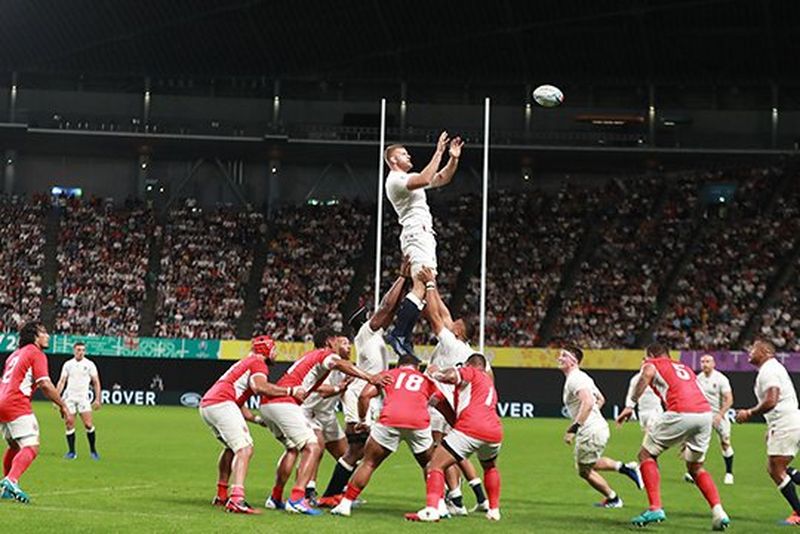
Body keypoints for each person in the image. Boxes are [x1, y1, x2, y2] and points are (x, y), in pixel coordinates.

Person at [261, 329, 391, 516]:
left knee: (294, 449)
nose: (345, 345)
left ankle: (276, 497)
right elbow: (336, 365)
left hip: (271, 404)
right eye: (341, 341)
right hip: (290, 404)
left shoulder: (315, 357)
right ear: (330, 342)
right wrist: (370, 377)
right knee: (313, 447)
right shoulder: (326, 355)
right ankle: (298, 498)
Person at [317, 258, 410, 507]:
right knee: (357, 450)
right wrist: (401, 278)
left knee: (359, 451)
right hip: (362, 396)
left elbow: (390, 310)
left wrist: (405, 286)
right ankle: (332, 495)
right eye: (370, 317)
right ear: (364, 322)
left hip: (370, 394)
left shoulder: (373, 336)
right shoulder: (365, 333)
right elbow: (386, 308)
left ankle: (335, 494)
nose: (377, 319)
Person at [616, 344, 730, 530]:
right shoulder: (684, 367)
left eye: (646, 358)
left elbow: (646, 375)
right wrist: (687, 434)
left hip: (681, 412)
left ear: (651, 355)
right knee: (696, 467)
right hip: (704, 415)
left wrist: (630, 405)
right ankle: (719, 512)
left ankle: (655, 507)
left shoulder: (653, 363)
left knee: (645, 455)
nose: (645, 361)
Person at [330, 354, 447, 517]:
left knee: (369, 463)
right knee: (431, 465)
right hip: (418, 421)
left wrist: (363, 420)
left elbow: (364, 395)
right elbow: (440, 399)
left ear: (398, 366)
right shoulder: (424, 379)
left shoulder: (389, 375)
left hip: (390, 419)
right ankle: (438, 506)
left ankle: (345, 504)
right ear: (417, 367)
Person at [383, 132, 464, 357]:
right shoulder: (396, 180)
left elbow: (441, 178)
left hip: (420, 235)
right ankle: (399, 333)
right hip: (417, 234)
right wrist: (438, 151)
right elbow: (427, 178)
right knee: (422, 285)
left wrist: (453, 158)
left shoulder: (409, 180)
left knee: (424, 284)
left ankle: (402, 334)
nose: (408, 156)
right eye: (403, 154)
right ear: (393, 161)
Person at [199, 335, 299, 514]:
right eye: (273, 349)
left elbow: (239, 402)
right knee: (244, 449)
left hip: (208, 404)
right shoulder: (258, 363)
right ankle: (237, 499)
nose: (276, 353)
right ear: (265, 350)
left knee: (232, 448)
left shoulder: (245, 362)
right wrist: (291, 390)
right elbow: (260, 387)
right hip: (222, 402)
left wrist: (259, 420)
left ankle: (222, 494)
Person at [419, 266, 489, 515]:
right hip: (462, 406)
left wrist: (427, 287)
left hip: (442, 404)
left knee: (439, 451)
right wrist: (433, 285)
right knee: (456, 451)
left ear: (459, 331)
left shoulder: (450, 342)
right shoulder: (474, 355)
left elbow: (435, 317)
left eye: (456, 323)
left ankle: (455, 499)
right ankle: (480, 497)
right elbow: (444, 312)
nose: (452, 322)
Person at [406, 353, 502, 522]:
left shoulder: (472, 372)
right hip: (494, 432)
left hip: (472, 427)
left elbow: (451, 376)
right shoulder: (487, 384)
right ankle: (494, 510)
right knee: (490, 467)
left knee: (435, 464)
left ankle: (432, 510)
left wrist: (436, 373)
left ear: (468, 364)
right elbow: (455, 419)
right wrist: (441, 403)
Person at [558, 345, 642, 508]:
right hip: (597, 427)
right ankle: (626, 468)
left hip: (590, 430)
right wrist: (590, 417)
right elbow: (600, 399)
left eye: (564, 355)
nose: (559, 358)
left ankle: (613, 498)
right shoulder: (583, 377)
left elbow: (589, 401)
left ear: (574, 361)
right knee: (588, 463)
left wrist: (574, 428)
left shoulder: (575, 379)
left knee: (584, 471)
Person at [0, 321, 70, 504]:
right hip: (16, 402)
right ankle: (11, 480)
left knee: (15, 446)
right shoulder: (35, 353)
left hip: (2, 402)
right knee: (32, 445)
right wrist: (63, 405)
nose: (48, 336)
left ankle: (6, 490)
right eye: (44, 332)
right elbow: (45, 384)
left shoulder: (14, 355)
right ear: (35, 336)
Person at [736, 339, 800, 525]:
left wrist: (749, 412)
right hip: (788, 420)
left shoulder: (769, 370)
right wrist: (770, 426)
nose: (749, 351)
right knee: (776, 467)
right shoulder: (773, 368)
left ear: (765, 351)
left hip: (785, 422)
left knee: (775, 469)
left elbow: (772, 400)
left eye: (753, 348)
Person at [302, 371, 352, 503]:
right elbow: (322, 390)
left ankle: (339, 492)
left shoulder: (347, 369)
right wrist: (339, 387)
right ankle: (307, 491)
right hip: (310, 412)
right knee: (316, 448)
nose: (349, 349)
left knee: (348, 455)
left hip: (328, 415)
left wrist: (350, 417)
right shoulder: (325, 366)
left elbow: (345, 395)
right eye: (347, 347)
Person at [692, 354, 734, 485]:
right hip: (704, 415)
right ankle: (694, 472)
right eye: (702, 361)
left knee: (725, 443)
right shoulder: (698, 379)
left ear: (714, 363)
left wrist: (720, 415)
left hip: (719, 415)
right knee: (699, 443)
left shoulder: (721, 379)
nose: (704, 364)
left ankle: (729, 473)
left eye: (707, 361)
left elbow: (729, 399)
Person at [56, 342, 102, 460]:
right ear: (74, 351)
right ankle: (72, 452)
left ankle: (93, 450)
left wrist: (98, 399)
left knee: (88, 424)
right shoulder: (68, 364)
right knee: (69, 423)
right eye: (78, 350)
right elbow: (62, 381)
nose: (80, 352)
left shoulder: (90, 364)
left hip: (83, 398)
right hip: (69, 398)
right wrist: (56, 398)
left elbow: (96, 382)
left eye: (82, 350)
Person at [625, 369, 663, 433]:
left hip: (655, 410)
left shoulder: (657, 378)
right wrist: (630, 408)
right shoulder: (635, 379)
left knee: (650, 431)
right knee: (647, 433)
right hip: (642, 411)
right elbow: (630, 395)